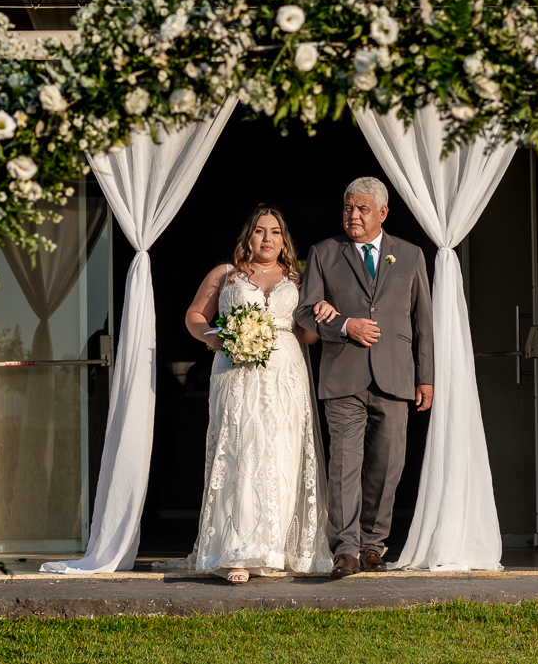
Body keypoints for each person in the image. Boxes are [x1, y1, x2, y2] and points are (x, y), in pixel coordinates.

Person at [182, 205, 335, 583]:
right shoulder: (227, 274)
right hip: (236, 371)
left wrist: (322, 313)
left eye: (275, 232)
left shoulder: (298, 279)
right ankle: (237, 551)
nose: (267, 239)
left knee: (280, 456)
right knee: (240, 453)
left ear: (284, 240)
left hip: (285, 373)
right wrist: (213, 338)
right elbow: (195, 315)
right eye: (260, 231)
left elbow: (308, 336)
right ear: (247, 237)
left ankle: (272, 549)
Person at [295, 177, 434, 577]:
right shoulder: (324, 253)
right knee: (344, 464)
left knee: (387, 466)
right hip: (342, 377)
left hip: (395, 377)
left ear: (382, 213)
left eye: (361, 209)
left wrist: (425, 377)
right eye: (347, 208)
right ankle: (346, 549)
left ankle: (374, 544)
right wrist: (343, 325)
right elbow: (305, 313)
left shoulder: (409, 256)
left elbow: (422, 320)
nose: (352, 216)